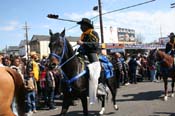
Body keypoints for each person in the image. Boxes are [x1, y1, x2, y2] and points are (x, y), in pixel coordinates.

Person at [77, 18, 101, 104]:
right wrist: (79, 48)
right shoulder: (83, 35)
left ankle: (99, 87)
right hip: (83, 54)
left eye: (82, 25)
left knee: (95, 69)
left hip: (92, 53)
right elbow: (82, 47)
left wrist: (83, 43)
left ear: (87, 26)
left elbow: (95, 45)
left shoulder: (93, 33)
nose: (81, 27)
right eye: (80, 25)